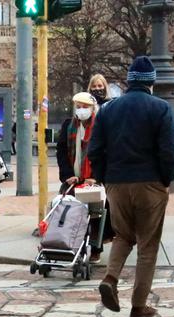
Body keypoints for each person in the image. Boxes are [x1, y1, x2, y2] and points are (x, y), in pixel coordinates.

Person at [88, 56, 174, 317]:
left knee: (123, 236)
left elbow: (95, 150)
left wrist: (105, 178)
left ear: (128, 81)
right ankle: (139, 306)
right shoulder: (161, 108)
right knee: (147, 245)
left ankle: (110, 277)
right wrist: (166, 180)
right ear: (151, 82)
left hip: (116, 183)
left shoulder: (108, 110)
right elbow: (169, 151)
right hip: (150, 183)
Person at [56, 92, 104, 264]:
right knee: (69, 211)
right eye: (79, 107)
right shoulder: (68, 125)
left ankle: (95, 248)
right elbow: (62, 151)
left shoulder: (100, 126)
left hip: (92, 179)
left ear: (93, 108)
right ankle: (70, 245)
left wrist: (95, 177)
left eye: (85, 107)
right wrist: (68, 175)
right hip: (73, 178)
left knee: (96, 214)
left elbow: (104, 153)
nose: (81, 110)